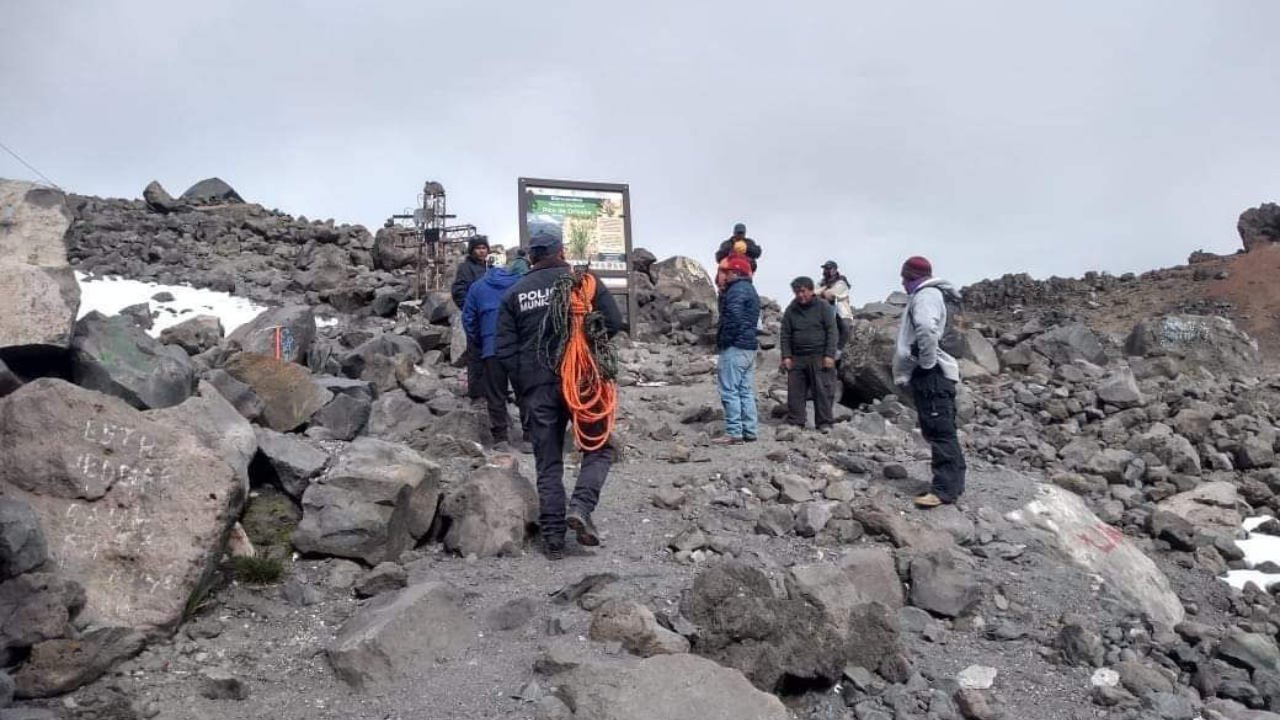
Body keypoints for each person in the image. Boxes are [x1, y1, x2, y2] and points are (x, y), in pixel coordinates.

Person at [496, 230, 623, 560]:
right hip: (582, 380)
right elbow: (614, 321)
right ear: (561, 251)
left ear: (532, 257)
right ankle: (580, 506)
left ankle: (554, 540)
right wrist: (590, 347)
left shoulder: (515, 293)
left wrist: (525, 384)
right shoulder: (584, 281)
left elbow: (505, 350)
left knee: (547, 460)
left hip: (538, 387)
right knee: (599, 447)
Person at [892, 255, 966, 508]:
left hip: (932, 374)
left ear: (911, 276)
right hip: (941, 373)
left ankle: (943, 490)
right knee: (942, 428)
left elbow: (925, 327)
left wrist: (925, 362)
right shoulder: (941, 295)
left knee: (939, 430)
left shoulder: (926, 296)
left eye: (904, 277)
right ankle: (954, 484)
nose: (902, 283)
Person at [462, 259, 531, 451]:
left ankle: (501, 438)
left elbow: (468, 318)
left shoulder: (477, 287)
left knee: (495, 393)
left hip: (491, 347)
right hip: (518, 347)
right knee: (524, 391)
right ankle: (529, 437)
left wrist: (479, 341)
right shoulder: (522, 283)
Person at [780, 276, 837, 431]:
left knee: (822, 391)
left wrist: (830, 355)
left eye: (803, 291)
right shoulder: (791, 310)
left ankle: (824, 423)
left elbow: (832, 331)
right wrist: (786, 356)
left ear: (811, 290)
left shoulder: (823, 307)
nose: (800, 295)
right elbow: (785, 334)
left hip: (819, 356)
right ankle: (796, 422)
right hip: (797, 357)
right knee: (795, 392)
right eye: (796, 292)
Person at [714, 254, 761, 444]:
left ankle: (734, 432)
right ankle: (750, 430)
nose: (726, 275)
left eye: (728, 271)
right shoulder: (750, 289)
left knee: (729, 390)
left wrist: (726, 338)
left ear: (736, 272)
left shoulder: (735, 291)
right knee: (745, 390)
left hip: (735, 346)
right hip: (749, 347)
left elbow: (733, 316)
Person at [452, 236, 491, 401]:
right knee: (475, 354)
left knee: (489, 354)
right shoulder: (466, 268)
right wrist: (470, 312)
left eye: (484, 248)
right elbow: (459, 292)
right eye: (478, 248)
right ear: (472, 250)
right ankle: (476, 393)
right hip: (476, 318)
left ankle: (489, 390)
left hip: (488, 318)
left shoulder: (487, 267)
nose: (482, 251)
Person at [818, 260, 854, 352]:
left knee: (845, 328)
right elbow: (814, 292)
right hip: (826, 312)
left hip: (841, 312)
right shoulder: (822, 282)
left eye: (827, 269)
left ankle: (839, 351)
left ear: (834, 270)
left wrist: (822, 292)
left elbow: (830, 294)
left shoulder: (841, 281)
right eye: (824, 269)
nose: (825, 271)